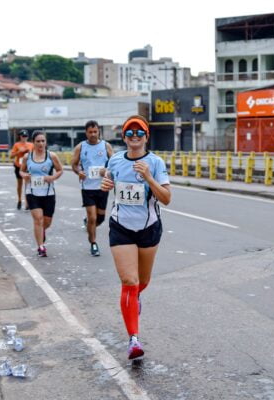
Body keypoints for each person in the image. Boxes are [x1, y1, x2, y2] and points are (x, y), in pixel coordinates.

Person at [100, 115, 171, 361]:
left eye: (139, 133)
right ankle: (134, 339)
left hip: (149, 227)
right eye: (129, 133)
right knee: (129, 281)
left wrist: (149, 177)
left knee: (142, 281)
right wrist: (106, 184)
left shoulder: (156, 162)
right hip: (121, 227)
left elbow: (166, 198)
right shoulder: (116, 160)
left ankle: (136, 297)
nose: (134, 137)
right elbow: (109, 180)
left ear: (146, 136)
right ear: (124, 137)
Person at [71, 120, 114, 256]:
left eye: (95, 131)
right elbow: (74, 164)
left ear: (99, 131)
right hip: (87, 188)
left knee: (100, 219)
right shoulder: (80, 147)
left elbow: (114, 164)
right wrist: (79, 172)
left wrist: (106, 171)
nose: (93, 134)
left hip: (102, 187)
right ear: (86, 133)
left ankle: (89, 223)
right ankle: (93, 243)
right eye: (90, 132)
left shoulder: (106, 146)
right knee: (92, 217)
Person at [19, 131, 63, 257]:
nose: (41, 143)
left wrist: (52, 177)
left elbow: (60, 170)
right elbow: (21, 171)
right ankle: (41, 247)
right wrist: (25, 175)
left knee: (46, 222)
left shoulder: (51, 156)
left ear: (46, 142)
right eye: (38, 141)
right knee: (38, 220)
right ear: (33, 142)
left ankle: (41, 232)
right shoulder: (28, 157)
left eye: (43, 141)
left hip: (48, 193)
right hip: (32, 192)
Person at [10, 130, 34, 210]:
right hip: (18, 166)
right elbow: (11, 156)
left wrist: (29, 152)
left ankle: (27, 203)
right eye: (23, 136)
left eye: (25, 136)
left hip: (28, 167)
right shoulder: (16, 145)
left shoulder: (31, 145)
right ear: (20, 137)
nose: (24, 138)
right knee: (20, 184)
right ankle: (19, 200)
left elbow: (35, 154)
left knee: (28, 185)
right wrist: (19, 151)